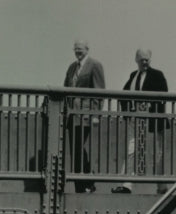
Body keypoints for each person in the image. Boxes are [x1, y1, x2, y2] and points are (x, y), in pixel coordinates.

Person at [112, 49, 169, 194]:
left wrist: (150, 106)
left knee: (156, 153)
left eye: (147, 59)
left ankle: (161, 186)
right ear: (136, 60)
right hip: (135, 120)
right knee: (131, 150)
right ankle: (126, 185)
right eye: (142, 59)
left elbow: (164, 93)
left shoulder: (157, 75)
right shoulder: (133, 75)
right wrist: (127, 113)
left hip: (153, 122)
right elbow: (124, 94)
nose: (145, 62)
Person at [64, 39, 105, 193]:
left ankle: (87, 182)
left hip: (85, 114)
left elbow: (99, 91)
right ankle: (81, 185)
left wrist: (96, 114)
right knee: (75, 149)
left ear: (87, 49)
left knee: (78, 147)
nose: (78, 51)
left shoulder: (95, 65)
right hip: (72, 115)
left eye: (80, 49)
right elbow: (66, 88)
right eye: (75, 49)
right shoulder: (72, 67)